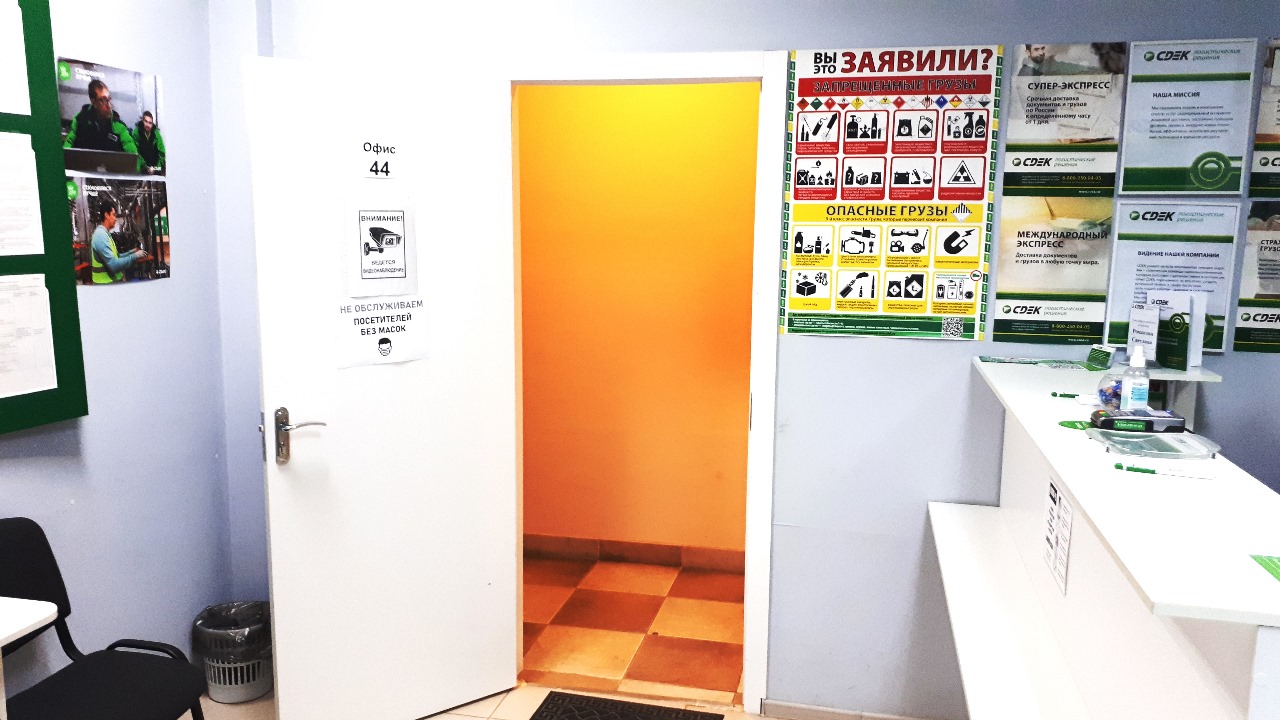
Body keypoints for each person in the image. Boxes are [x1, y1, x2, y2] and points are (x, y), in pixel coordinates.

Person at [64, 79, 140, 156]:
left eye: (109, 99)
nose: (109, 106)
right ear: (93, 101)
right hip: (84, 163)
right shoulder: (80, 120)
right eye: (103, 100)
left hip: (111, 163)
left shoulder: (118, 125)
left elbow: (133, 154)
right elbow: (68, 145)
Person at [90, 200, 146, 284]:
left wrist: (132, 252)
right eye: (113, 215)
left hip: (110, 283)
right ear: (106, 215)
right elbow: (113, 265)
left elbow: (117, 256)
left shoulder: (106, 233)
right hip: (105, 285)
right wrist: (135, 256)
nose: (115, 219)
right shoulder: (100, 235)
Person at [132, 111, 166, 175]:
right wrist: (145, 167)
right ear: (142, 121)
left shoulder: (156, 133)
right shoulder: (136, 133)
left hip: (155, 166)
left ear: (152, 124)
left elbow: (161, 152)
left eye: (150, 123)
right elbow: (136, 153)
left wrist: (156, 168)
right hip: (142, 166)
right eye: (146, 121)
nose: (148, 125)